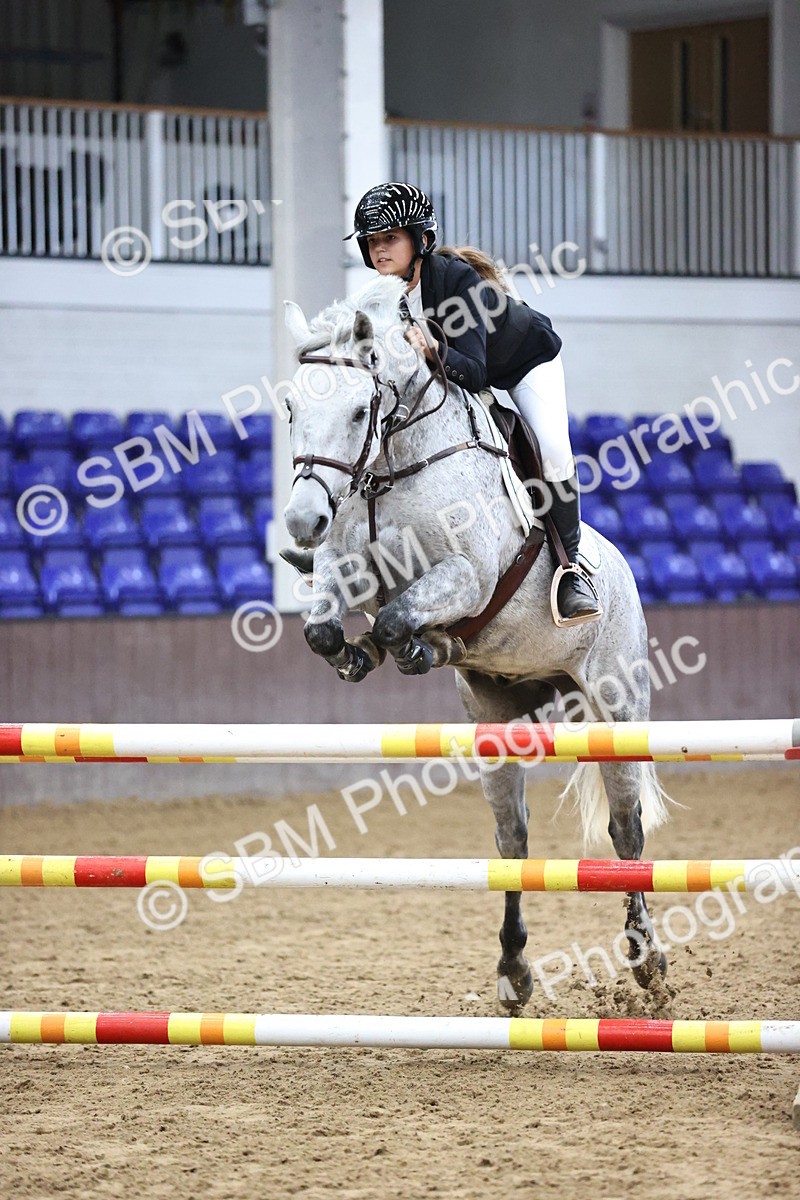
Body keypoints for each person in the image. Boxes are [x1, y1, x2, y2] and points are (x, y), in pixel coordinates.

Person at [283, 181, 599, 625]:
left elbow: (475, 371)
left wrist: (435, 348)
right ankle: (337, 549)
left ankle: (571, 569)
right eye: (373, 242)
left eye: (390, 239)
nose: (380, 252)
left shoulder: (457, 282)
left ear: (421, 240)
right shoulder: (382, 299)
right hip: (464, 369)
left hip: (525, 361)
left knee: (554, 452)